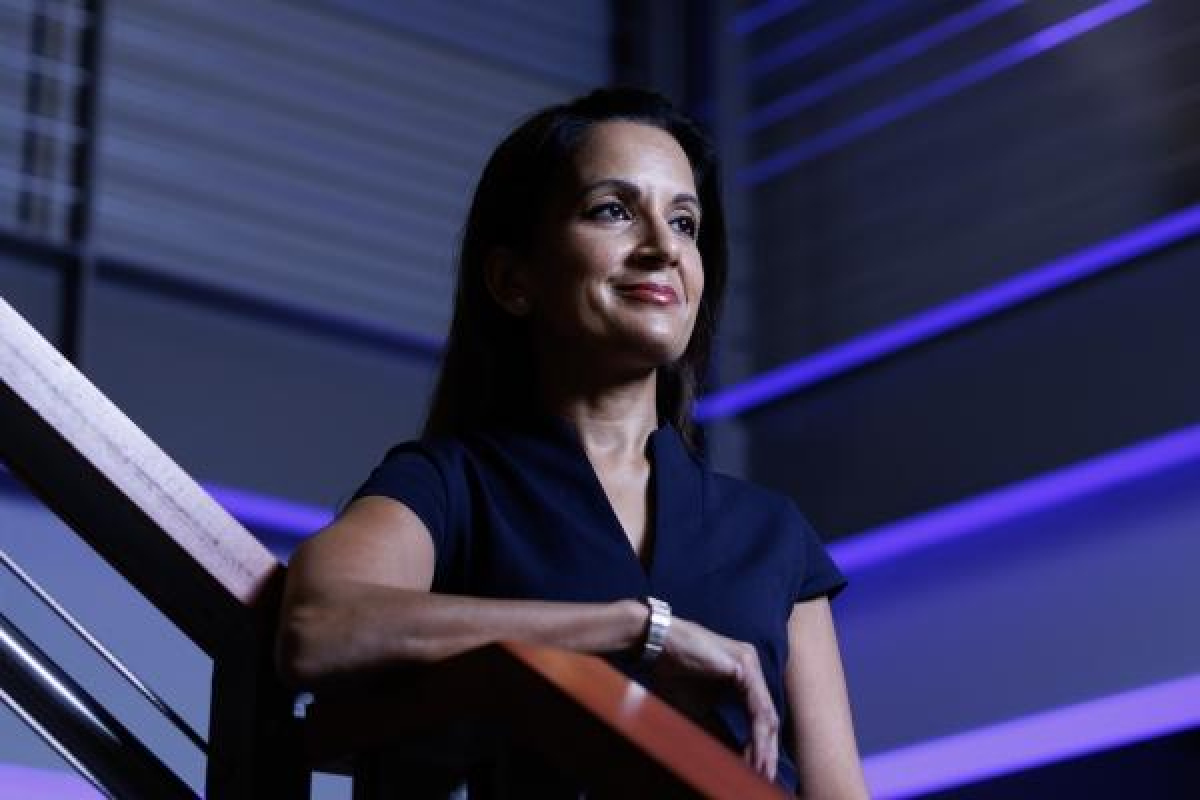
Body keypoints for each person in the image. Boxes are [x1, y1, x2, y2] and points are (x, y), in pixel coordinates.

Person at [277, 87, 868, 798]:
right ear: (512, 280)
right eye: (613, 211)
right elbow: (319, 624)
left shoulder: (772, 533)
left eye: (684, 222)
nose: (662, 248)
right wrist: (634, 629)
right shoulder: (451, 484)